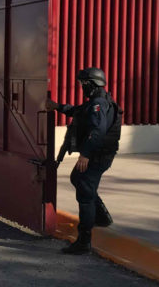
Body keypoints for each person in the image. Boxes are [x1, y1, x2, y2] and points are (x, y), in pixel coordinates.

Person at [45, 67, 122, 255]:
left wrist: (85, 155)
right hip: (99, 153)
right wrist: (57, 106)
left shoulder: (98, 104)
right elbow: (78, 112)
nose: (81, 87)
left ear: (91, 84)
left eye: (83, 84)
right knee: (78, 179)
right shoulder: (98, 101)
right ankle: (102, 217)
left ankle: (84, 241)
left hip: (98, 155)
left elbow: (97, 131)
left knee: (85, 191)